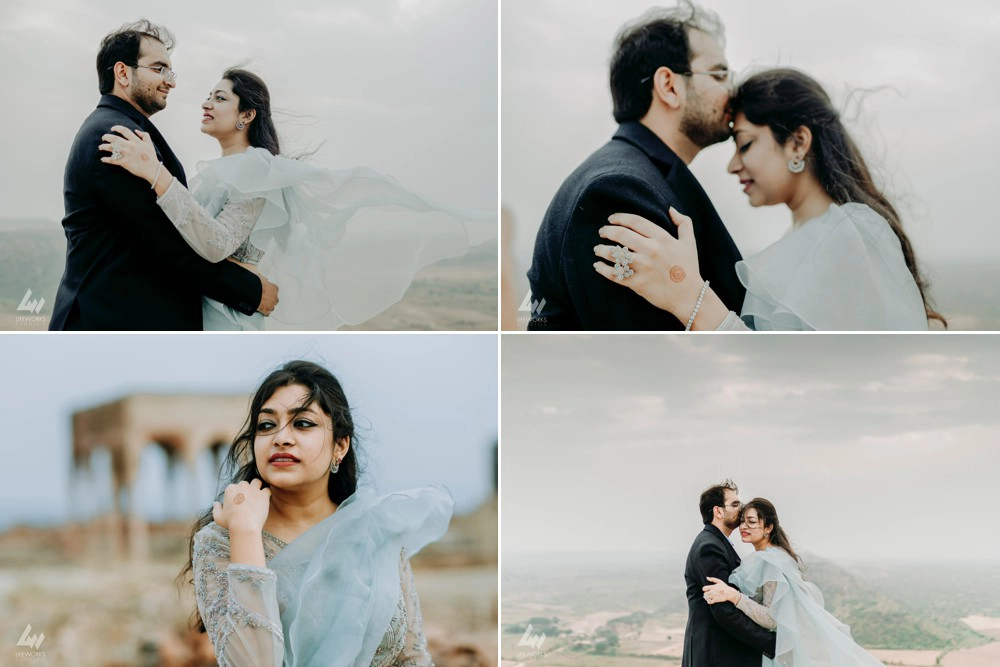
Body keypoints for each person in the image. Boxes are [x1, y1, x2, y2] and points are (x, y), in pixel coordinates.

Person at [101, 67, 495, 330]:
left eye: (219, 98)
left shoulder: (256, 169)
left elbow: (217, 243)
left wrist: (157, 175)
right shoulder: (227, 169)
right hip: (201, 305)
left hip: (226, 315)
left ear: (247, 115)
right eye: (208, 96)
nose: (206, 103)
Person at [594, 68, 943, 331]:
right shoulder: (809, 239)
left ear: (797, 143)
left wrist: (688, 294)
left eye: (745, 144)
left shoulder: (850, 233)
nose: (733, 165)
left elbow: (789, 375)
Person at [179, 360, 452, 666]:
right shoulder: (221, 541)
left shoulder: (373, 532)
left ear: (340, 446)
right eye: (266, 425)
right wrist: (245, 532)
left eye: (303, 423)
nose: (281, 437)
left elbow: (412, 657)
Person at [526, 1, 746, 330]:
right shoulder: (618, 191)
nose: (732, 91)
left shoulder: (638, 174)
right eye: (719, 74)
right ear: (669, 87)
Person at [50, 19, 278, 331]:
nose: (169, 81)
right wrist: (250, 291)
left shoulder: (129, 132)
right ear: (122, 72)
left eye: (170, 72)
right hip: (110, 321)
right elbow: (164, 243)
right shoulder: (115, 135)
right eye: (158, 69)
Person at [702, 498, 885, 665]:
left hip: (772, 654)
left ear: (768, 528)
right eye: (742, 521)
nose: (744, 527)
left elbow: (772, 618)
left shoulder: (771, 562)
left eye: (751, 522)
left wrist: (735, 597)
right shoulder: (766, 557)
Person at [683, 480, 777, 666]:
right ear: (718, 511)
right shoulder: (710, 547)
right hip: (716, 655)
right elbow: (724, 610)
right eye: (734, 504)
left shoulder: (716, 543)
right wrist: (770, 643)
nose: (740, 509)